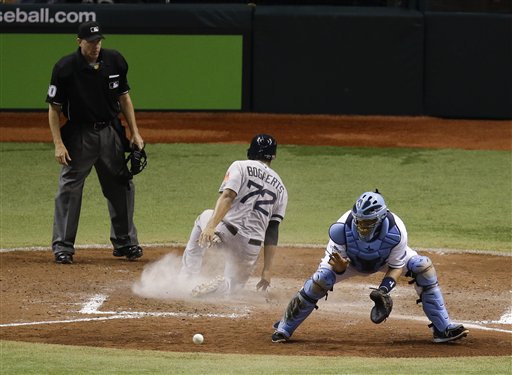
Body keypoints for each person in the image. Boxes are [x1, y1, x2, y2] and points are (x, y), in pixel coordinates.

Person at [272, 190, 469, 344]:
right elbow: (337, 268)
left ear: (381, 218)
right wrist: (340, 267)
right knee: (320, 279)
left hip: (383, 260)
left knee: (422, 266)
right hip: (349, 260)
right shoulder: (341, 228)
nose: (362, 227)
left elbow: (396, 266)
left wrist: (384, 290)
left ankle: (442, 329)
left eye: (368, 223)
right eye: (360, 222)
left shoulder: (396, 230)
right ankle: (284, 327)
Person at [46, 21, 144, 264]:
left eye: (99, 41)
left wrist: (135, 132)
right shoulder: (65, 68)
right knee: (69, 189)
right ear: (79, 41)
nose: (96, 46)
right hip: (80, 135)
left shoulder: (115, 61)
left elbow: (124, 98)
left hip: (111, 132)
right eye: (91, 42)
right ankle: (63, 247)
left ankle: (125, 242)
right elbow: (54, 108)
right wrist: (58, 143)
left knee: (121, 186)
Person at [180, 134, 288, 297]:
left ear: (251, 151)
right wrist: (267, 270)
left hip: (226, 233)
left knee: (204, 216)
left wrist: (210, 227)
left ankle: (187, 278)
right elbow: (272, 230)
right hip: (251, 248)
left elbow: (228, 196)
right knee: (233, 290)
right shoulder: (281, 188)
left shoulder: (240, 166)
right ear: (273, 156)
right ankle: (225, 285)